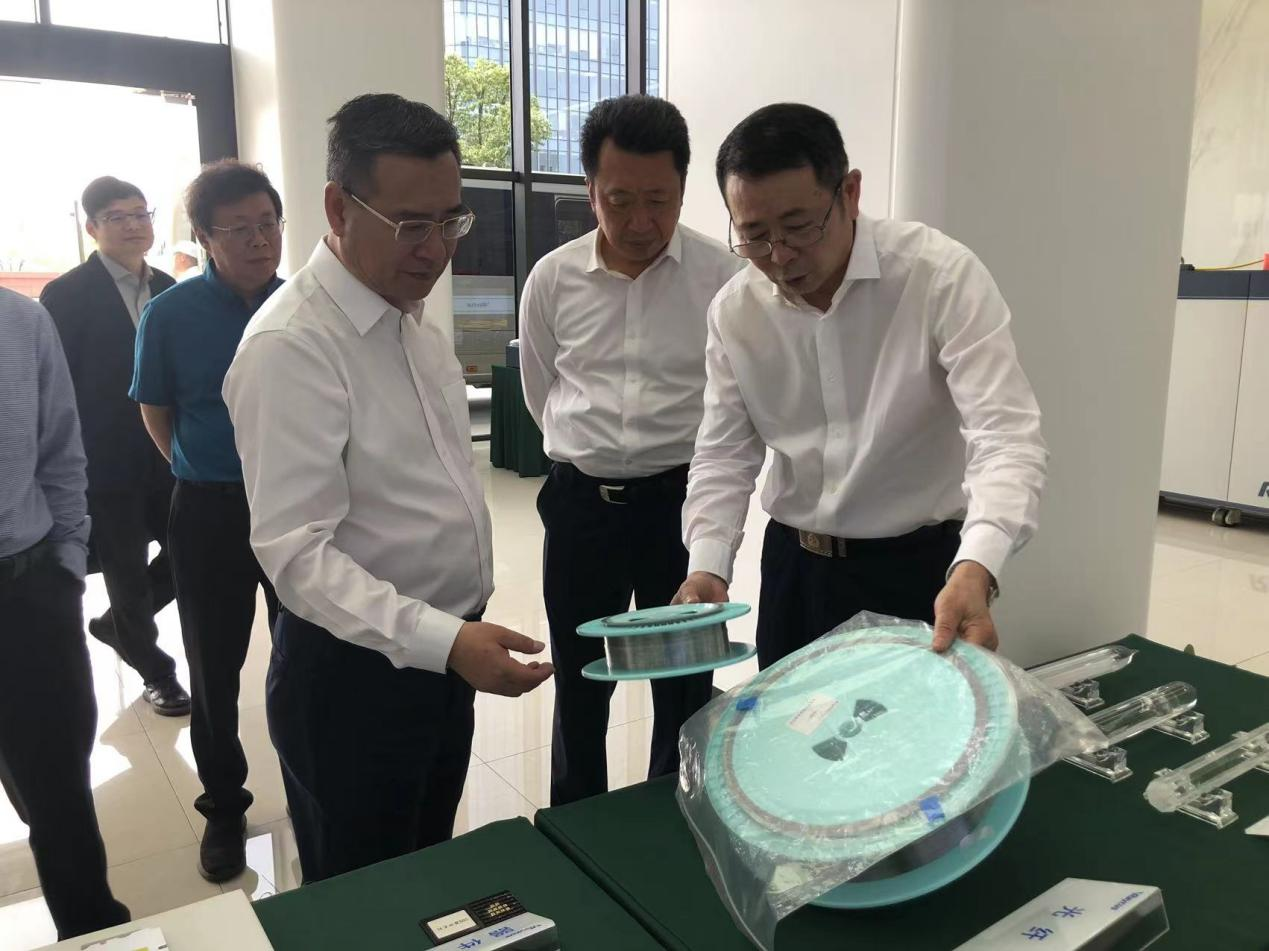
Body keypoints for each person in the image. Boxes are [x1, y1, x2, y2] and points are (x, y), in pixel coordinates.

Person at [223, 93, 553, 884]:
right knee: (363, 898)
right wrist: (446, 640)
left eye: (449, 221)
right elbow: (297, 558)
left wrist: (454, 638)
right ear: (339, 207)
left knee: (424, 871)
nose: (435, 249)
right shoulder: (291, 346)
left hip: (440, 658)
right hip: (353, 676)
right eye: (410, 224)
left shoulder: (411, 321)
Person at [675, 103, 1048, 666]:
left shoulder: (937, 276)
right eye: (755, 236)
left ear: (849, 193)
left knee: (917, 724)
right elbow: (724, 453)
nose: (780, 255)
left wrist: (978, 565)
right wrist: (707, 566)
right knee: (789, 722)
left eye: (799, 227)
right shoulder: (735, 310)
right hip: (795, 571)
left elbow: (1006, 436)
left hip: (917, 572)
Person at [518, 95, 742, 807]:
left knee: (683, 683)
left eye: (659, 201)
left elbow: (734, 413)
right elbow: (541, 389)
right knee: (581, 679)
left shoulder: (722, 279)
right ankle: (575, 820)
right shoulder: (552, 279)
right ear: (590, 190)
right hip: (581, 506)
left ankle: (667, 814)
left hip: (679, 507)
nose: (641, 222)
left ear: (683, 188)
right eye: (620, 200)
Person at [130, 160, 285, 883]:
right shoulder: (170, 314)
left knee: (308, 655)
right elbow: (155, 410)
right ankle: (224, 806)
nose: (259, 240)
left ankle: (316, 782)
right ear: (204, 238)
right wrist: (199, 468)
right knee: (213, 668)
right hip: (208, 511)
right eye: (239, 229)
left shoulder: (304, 306)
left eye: (268, 223)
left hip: (298, 508)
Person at [0, 287, 131, 940]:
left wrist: (67, 564)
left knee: (60, 797)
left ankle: (94, 933)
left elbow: (60, 451)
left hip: (26, 594)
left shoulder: (21, 321)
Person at [40, 176, 190, 718]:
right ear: (93, 227)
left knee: (186, 554)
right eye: (118, 217)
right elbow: (56, 385)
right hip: (105, 460)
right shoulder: (66, 295)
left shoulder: (170, 288)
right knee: (125, 570)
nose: (133, 226)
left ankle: (116, 628)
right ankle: (157, 672)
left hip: (169, 452)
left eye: (140, 214)